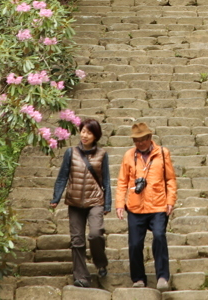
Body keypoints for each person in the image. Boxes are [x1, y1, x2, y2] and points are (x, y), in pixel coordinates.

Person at [50, 118, 112, 288]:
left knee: (95, 234)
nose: (84, 135)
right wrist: (56, 198)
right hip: (75, 202)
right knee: (77, 240)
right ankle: (82, 276)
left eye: (89, 133)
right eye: (83, 131)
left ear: (96, 136)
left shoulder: (102, 154)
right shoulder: (71, 152)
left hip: (95, 201)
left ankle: (100, 262)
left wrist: (107, 204)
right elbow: (62, 176)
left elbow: (106, 180)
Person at [115, 122, 177, 291]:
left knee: (159, 236)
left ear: (150, 138)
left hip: (158, 204)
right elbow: (122, 181)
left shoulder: (163, 154)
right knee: (135, 244)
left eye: (142, 139)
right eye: (136, 140)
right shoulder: (129, 156)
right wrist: (120, 203)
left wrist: (170, 200)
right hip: (135, 206)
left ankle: (163, 276)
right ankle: (138, 278)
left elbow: (170, 179)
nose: (139, 143)